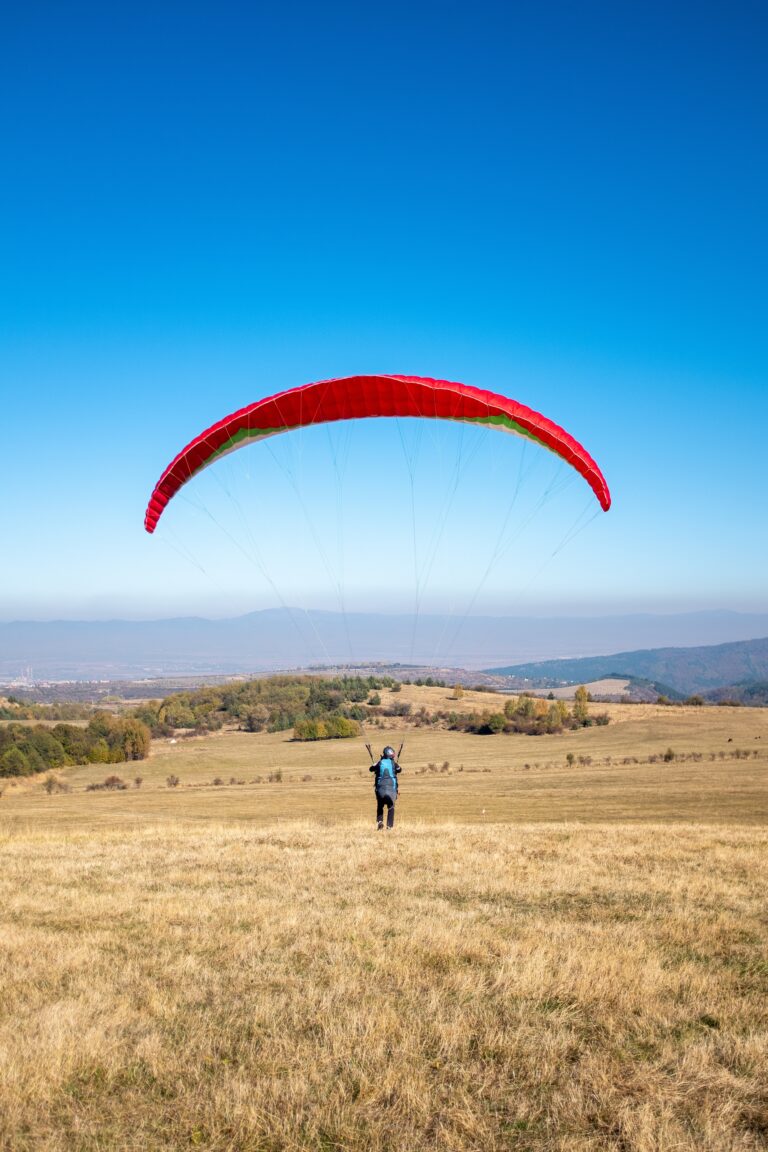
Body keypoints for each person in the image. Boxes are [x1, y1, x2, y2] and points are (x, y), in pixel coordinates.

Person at [369, 745, 401, 830]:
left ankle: (380, 822)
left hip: (380, 791)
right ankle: (389, 826)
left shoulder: (380, 762)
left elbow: (371, 769)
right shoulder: (394, 763)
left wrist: (376, 766)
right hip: (392, 791)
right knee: (391, 807)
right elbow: (400, 769)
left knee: (380, 806)